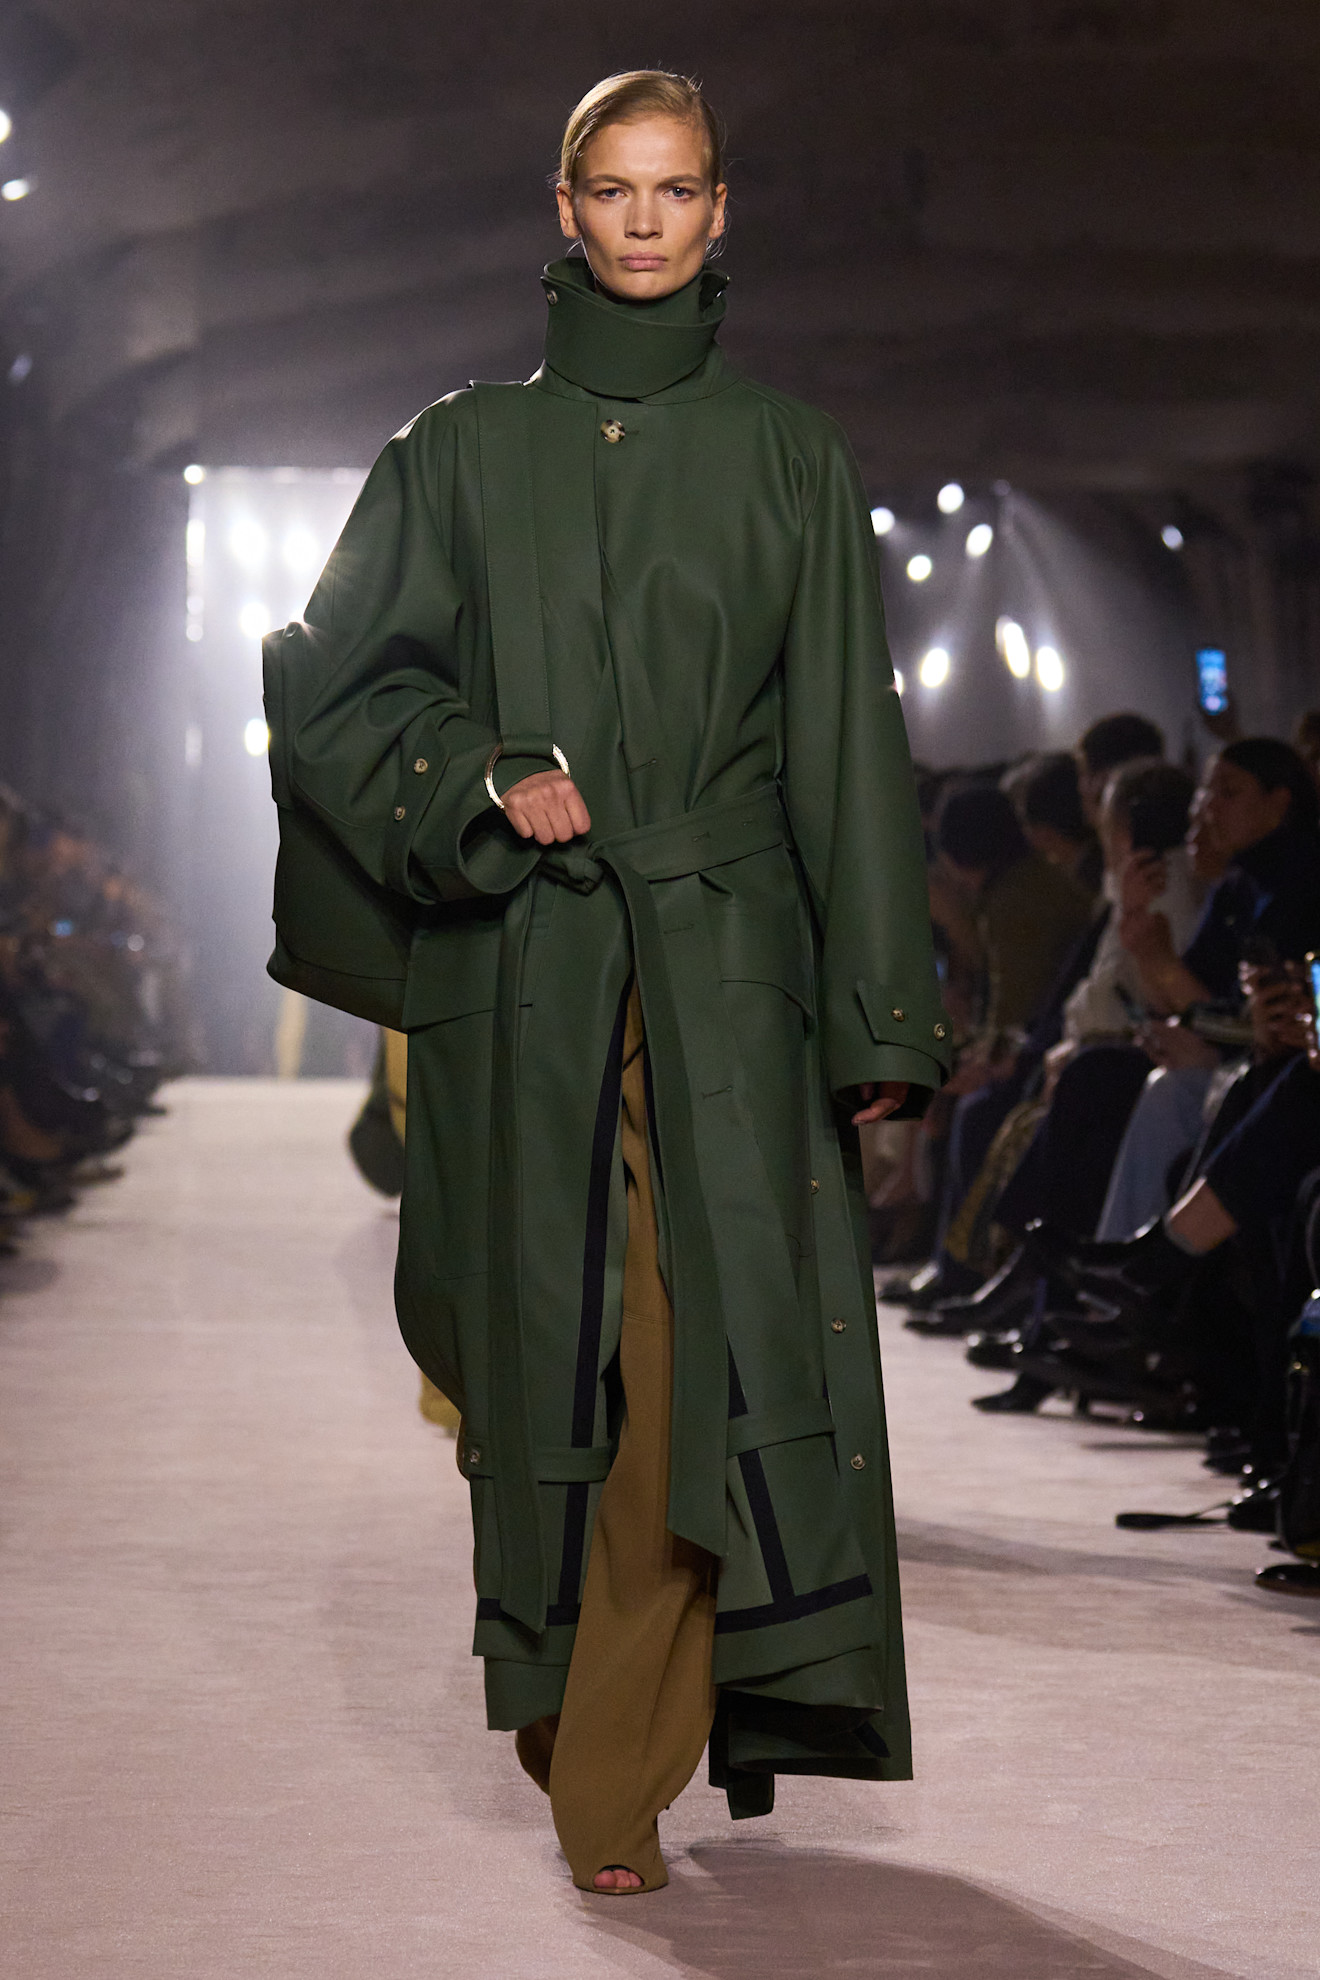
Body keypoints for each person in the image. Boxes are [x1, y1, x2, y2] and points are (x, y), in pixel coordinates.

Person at [266, 71, 948, 1894]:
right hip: (534, 971)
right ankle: (580, 1711)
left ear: (723, 212)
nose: (646, 219)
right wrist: (482, 771)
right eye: (613, 188)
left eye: (679, 188)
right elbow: (333, 686)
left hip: (725, 985)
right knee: (539, 1371)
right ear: (561, 209)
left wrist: (880, 1013)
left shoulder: (792, 458)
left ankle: (616, 1776)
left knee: (692, 1367)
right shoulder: (457, 451)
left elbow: (843, 754)